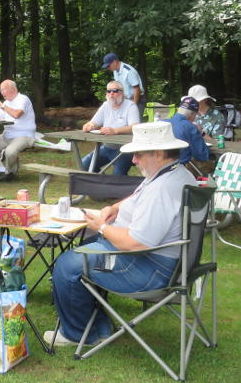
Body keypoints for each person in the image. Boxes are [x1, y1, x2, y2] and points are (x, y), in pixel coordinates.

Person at [45, 121, 196, 347]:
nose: (133, 160)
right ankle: (99, 325)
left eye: (138, 155)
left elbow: (136, 243)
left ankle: (77, 334)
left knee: (67, 265)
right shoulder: (176, 173)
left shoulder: (162, 189)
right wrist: (114, 208)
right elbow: (136, 197)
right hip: (168, 261)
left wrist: (103, 227)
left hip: (150, 268)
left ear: (159, 153)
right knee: (89, 246)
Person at [80, 80, 140, 176]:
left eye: (115, 91)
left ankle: (119, 186)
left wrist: (115, 131)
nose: (111, 93)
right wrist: (89, 125)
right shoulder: (105, 105)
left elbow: (135, 127)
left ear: (122, 92)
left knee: (117, 176)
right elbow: (94, 122)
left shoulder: (131, 106)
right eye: (109, 91)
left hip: (124, 150)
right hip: (107, 147)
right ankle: (103, 184)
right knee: (84, 165)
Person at [0, 80, 37, 181]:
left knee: (10, 151)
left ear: (12, 89)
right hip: (7, 135)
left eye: (3, 89)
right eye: (1, 90)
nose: (1, 92)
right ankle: (1, 170)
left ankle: (9, 173)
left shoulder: (23, 99)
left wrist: (2, 106)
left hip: (23, 135)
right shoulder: (6, 102)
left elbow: (17, 114)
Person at [164, 96, 211, 165]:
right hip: (179, 167)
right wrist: (199, 132)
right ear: (193, 114)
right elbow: (202, 155)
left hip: (159, 167)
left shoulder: (163, 123)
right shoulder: (191, 127)